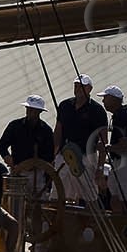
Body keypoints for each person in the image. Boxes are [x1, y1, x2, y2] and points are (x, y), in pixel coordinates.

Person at [54, 74, 107, 205]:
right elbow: (58, 131)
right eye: (76, 86)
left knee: (88, 196)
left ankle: (89, 224)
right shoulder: (64, 106)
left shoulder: (97, 110)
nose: (78, 89)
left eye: (81, 86)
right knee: (57, 194)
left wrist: (100, 167)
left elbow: (103, 140)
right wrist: (53, 155)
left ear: (89, 89)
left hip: (86, 157)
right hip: (64, 156)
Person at [98, 85, 127, 212]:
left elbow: (124, 146)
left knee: (126, 201)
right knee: (116, 198)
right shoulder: (122, 115)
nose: (103, 102)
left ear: (113, 99)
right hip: (119, 163)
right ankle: (120, 224)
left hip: (125, 163)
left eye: (105, 98)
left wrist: (106, 148)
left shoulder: (122, 117)